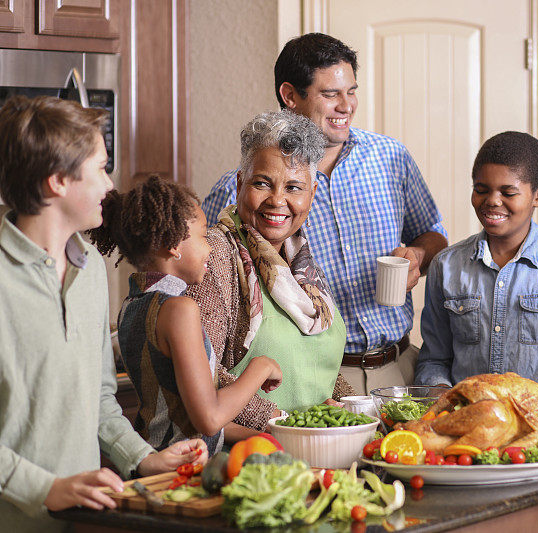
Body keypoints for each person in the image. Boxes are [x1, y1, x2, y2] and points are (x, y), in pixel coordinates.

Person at [0, 96, 207, 533]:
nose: (110, 186)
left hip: (78, 519)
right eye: (100, 167)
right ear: (57, 181)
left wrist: (143, 458)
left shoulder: (91, 269)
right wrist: (44, 489)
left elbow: (97, 398)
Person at [201, 33, 448, 394]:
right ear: (290, 96)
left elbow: (433, 233)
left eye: (351, 91)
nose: (347, 105)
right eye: (331, 94)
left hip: (401, 369)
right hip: (311, 381)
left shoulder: (391, 158)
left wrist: (419, 256)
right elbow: (201, 280)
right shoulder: (240, 192)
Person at [88, 175, 284, 451]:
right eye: (204, 236)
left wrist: (257, 435)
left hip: (150, 457)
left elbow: (184, 413)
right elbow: (209, 418)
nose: (210, 247)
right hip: (176, 469)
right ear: (173, 244)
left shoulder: (133, 305)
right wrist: (260, 367)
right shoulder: (180, 310)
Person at [188, 109, 354, 430]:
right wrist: (284, 423)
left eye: (294, 187)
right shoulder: (215, 257)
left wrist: (346, 405)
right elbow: (200, 371)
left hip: (312, 446)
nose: (277, 200)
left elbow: (314, 364)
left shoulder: (301, 261)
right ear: (239, 183)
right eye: (263, 183)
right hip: (253, 454)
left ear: (312, 194)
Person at [414, 132, 538, 400]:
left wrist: (519, 406)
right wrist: (452, 401)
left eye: (508, 192)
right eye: (481, 190)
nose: (492, 200)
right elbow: (433, 360)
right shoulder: (445, 266)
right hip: (468, 426)